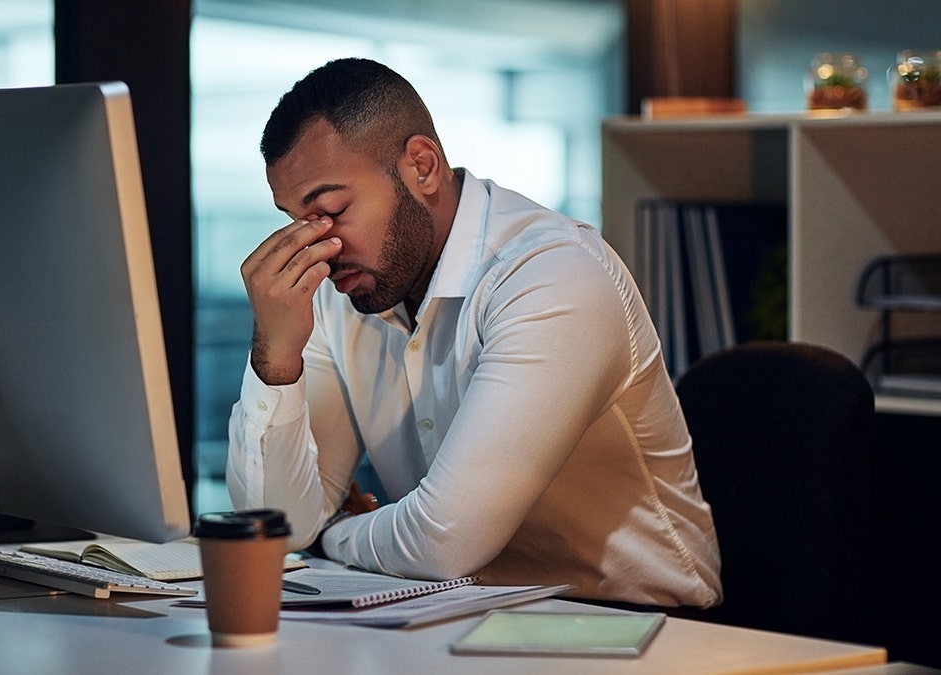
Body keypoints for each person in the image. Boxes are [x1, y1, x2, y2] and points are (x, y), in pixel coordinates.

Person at [227, 57, 722, 608]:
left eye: (332, 211)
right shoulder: (340, 290)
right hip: (463, 615)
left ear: (422, 166)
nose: (315, 246)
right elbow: (272, 530)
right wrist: (275, 357)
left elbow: (442, 542)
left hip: (640, 625)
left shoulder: (553, 275)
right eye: (295, 220)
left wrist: (333, 533)